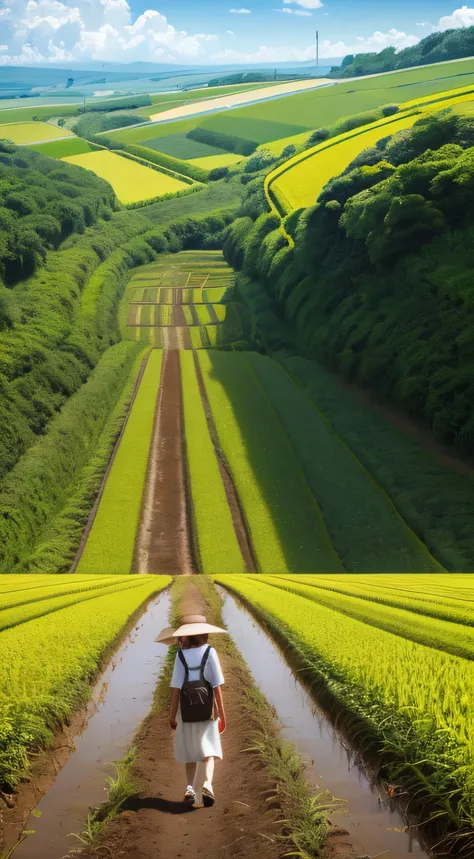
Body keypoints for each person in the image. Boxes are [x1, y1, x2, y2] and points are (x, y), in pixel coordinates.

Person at [164, 614, 227, 808]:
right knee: (209, 752)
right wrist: (222, 715)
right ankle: (207, 784)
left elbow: (176, 688)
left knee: (190, 753)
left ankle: (190, 788)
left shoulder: (180, 655)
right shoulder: (210, 652)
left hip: (187, 712)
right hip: (207, 712)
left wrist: (172, 715)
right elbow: (216, 687)